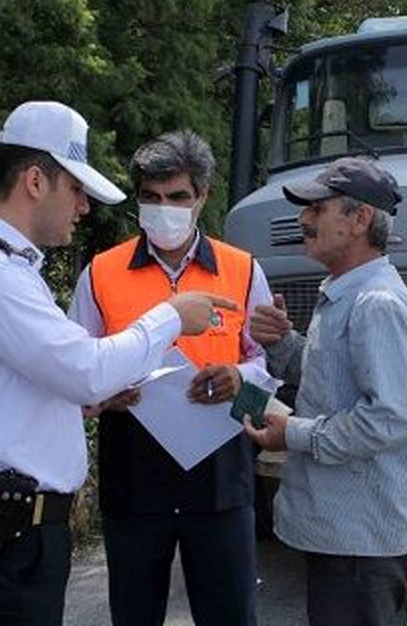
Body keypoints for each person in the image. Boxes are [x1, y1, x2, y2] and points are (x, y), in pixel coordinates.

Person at [0, 101, 236, 626]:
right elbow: (85, 366)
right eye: (76, 190)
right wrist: (171, 318)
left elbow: (36, 385)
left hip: (18, 527)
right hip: (7, 529)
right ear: (36, 181)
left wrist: (91, 402)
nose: (84, 208)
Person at [68, 130, 275, 626]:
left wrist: (239, 379)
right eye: (151, 198)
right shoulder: (101, 273)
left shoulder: (243, 271)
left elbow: (267, 371)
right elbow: (76, 370)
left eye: (177, 197)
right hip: (134, 480)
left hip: (222, 481)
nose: (164, 209)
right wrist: (105, 394)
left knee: (229, 616)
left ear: (202, 197)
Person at [244, 156, 407, 626]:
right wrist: (281, 343)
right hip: (345, 540)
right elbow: (330, 381)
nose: (304, 219)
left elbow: (390, 419)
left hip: (360, 546)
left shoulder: (376, 304)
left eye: (318, 208)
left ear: (360, 219)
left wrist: (294, 433)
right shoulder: (344, 292)